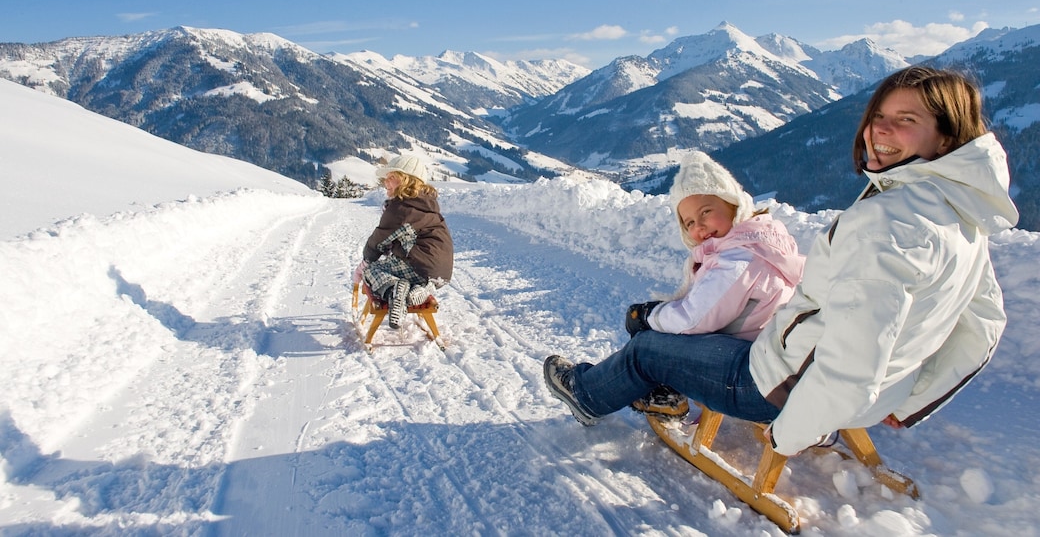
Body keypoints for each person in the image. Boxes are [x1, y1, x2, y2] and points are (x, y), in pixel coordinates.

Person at [544, 66, 1019, 457]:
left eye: (906, 119)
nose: (880, 130)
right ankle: (663, 388)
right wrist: (913, 399)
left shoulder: (885, 225)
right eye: (878, 115)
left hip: (774, 383)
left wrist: (792, 433)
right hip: (852, 388)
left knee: (646, 347)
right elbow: (983, 327)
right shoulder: (964, 218)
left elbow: (853, 363)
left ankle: (587, 394)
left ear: (945, 138)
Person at [622, 151, 805, 417]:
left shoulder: (738, 260)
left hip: (749, 371)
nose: (700, 226)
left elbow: (693, 319)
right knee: (660, 322)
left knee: (646, 332)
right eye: (690, 223)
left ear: (733, 204)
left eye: (706, 212)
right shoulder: (764, 242)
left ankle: (658, 393)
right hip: (772, 355)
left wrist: (649, 315)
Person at [353, 155, 453, 329]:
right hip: (441, 273)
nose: (386, 182)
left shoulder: (401, 208)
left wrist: (365, 262)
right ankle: (420, 290)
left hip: (419, 267)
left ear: (407, 180)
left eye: (392, 177)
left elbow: (379, 240)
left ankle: (394, 292)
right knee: (396, 262)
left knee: (372, 271)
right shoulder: (426, 204)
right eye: (386, 178)